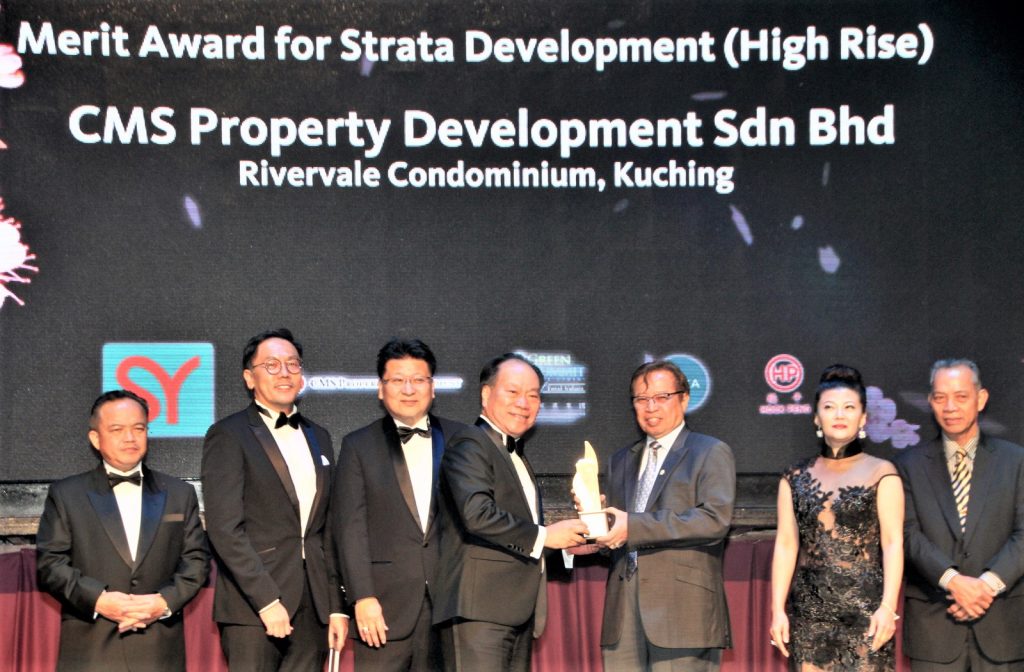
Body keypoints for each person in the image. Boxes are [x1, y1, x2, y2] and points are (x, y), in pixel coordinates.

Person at [433, 353, 589, 672]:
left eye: (533, 395)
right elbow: (477, 513)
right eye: (513, 391)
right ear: (486, 394)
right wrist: (546, 535)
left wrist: (567, 544)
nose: (524, 403)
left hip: (515, 612)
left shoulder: (516, 454)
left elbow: (518, 535)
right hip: (479, 612)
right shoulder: (469, 443)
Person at [201, 328, 346, 671]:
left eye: (292, 364)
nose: (284, 373)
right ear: (249, 378)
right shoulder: (228, 434)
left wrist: (336, 607)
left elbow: (327, 529)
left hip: (313, 606)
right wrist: (266, 600)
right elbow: (224, 529)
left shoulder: (319, 436)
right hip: (253, 607)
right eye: (272, 365)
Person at [36, 390, 209, 672]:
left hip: (159, 651)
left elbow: (197, 561)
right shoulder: (66, 494)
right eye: (117, 429)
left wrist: (163, 602)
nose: (130, 438)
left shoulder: (180, 494)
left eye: (138, 428)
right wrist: (100, 600)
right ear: (95, 438)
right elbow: (50, 565)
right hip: (91, 651)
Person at [331, 338, 464, 671]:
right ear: (381, 389)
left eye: (418, 379)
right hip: (383, 610)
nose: (408, 389)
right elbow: (350, 530)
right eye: (398, 380)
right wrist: (362, 596)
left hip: (452, 606)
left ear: (432, 387)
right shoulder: (358, 445)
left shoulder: (464, 440)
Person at [593, 360, 735, 672]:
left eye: (661, 397)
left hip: (682, 612)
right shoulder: (620, 460)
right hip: (623, 613)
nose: (650, 407)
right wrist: (594, 533)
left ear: (684, 399)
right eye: (641, 399)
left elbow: (714, 520)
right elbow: (619, 533)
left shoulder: (709, 451)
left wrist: (632, 526)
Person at [770, 364, 903, 671]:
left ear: (863, 417)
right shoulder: (794, 476)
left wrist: (888, 607)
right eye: (829, 407)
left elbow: (893, 543)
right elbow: (786, 545)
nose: (839, 415)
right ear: (817, 417)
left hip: (866, 611)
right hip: (809, 612)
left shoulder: (882, 472)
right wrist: (777, 610)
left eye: (849, 407)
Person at [896, 359, 1024, 670]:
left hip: (1002, 625)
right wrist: (954, 583)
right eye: (940, 398)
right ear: (930, 402)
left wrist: (985, 587)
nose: (950, 407)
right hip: (934, 625)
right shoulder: (907, 465)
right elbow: (908, 535)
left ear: (981, 398)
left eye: (961, 396)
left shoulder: (1016, 461)